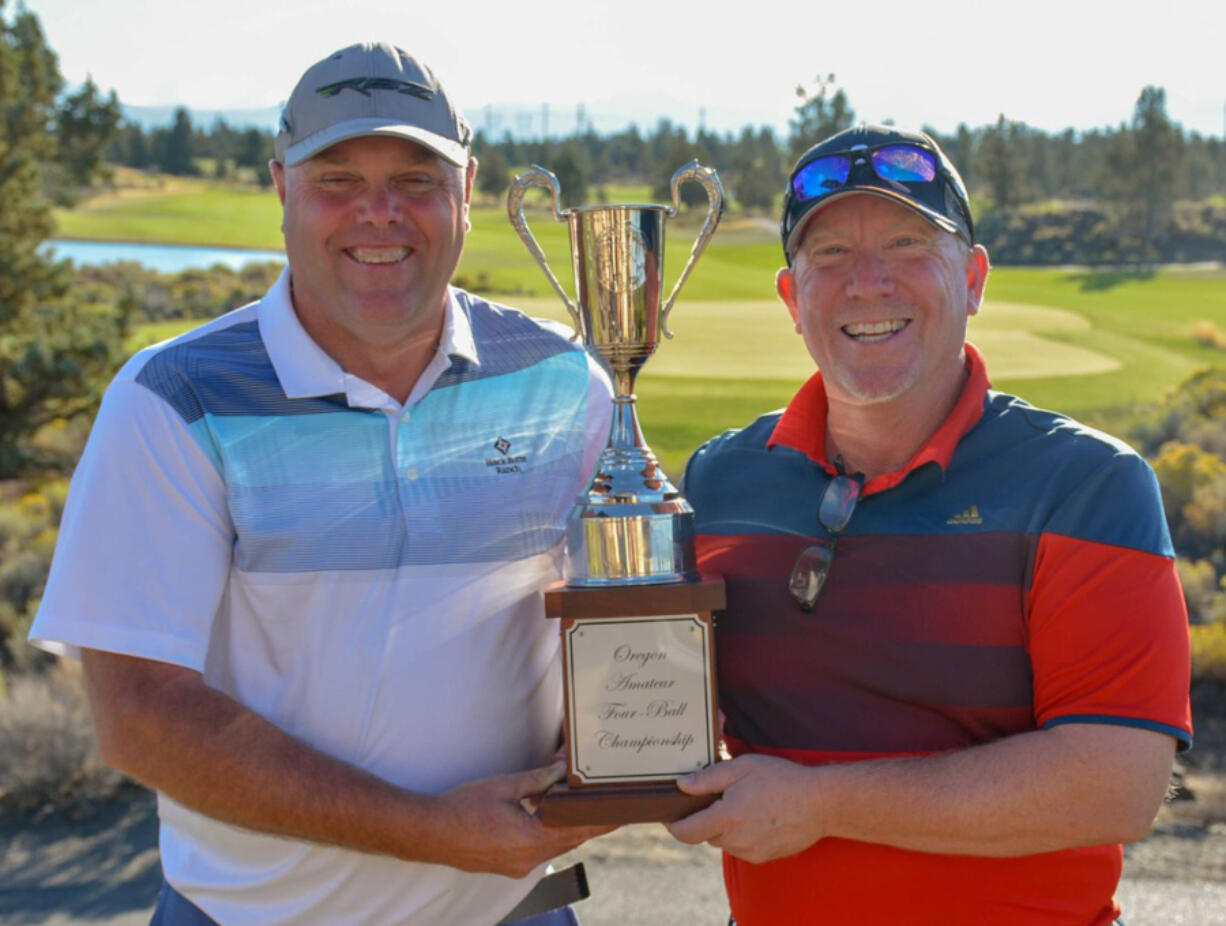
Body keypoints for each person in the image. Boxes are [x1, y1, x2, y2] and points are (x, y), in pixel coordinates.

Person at [29, 42, 614, 926]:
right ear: (281, 189)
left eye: (417, 179)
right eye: (337, 178)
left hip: (515, 914)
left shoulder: (565, 383)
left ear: (467, 191)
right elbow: (139, 715)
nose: (379, 214)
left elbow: (621, 627)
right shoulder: (174, 400)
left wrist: (626, 739)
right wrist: (430, 831)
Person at [667, 124, 1193, 925]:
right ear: (790, 297)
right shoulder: (721, 480)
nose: (868, 283)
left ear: (974, 279)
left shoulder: (1088, 486)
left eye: (910, 244)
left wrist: (821, 804)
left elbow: (1115, 785)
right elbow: (670, 705)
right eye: (831, 255)